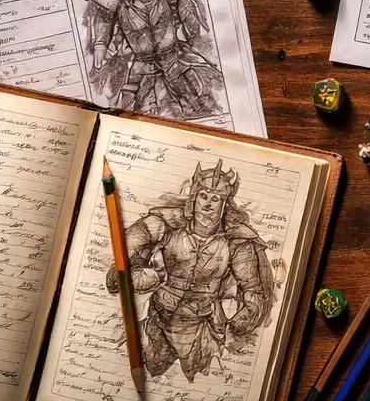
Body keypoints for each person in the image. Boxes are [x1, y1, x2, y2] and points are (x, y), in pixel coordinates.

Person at [105, 161, 273, 381]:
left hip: (204, 331)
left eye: (216, 199)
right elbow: (114, 279)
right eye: (204, 196)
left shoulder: (237, 243)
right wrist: (154, 276)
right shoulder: (161, 225)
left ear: (225, 205)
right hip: (157, 324)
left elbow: (254, 294)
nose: (208, 206)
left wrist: (232, 327)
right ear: (194, 197)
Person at [71, 0, 222, 119]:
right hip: (142, 72)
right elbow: (101, 5)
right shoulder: (121, 6)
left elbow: (193, 28)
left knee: (205, 111)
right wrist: (100, 44)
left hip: (177, 64)